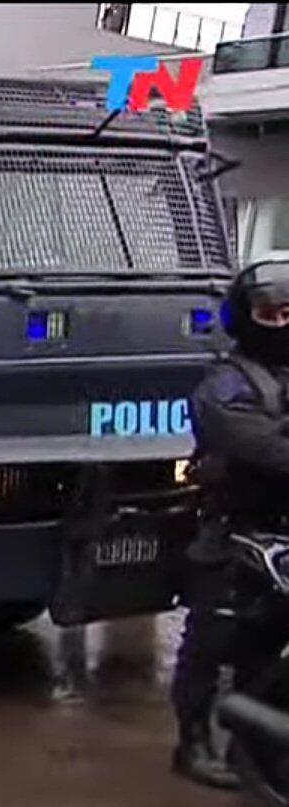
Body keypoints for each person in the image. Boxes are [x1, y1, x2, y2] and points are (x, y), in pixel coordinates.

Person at [175, 259, 289, 790]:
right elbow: (266, 448)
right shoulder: (224, 385)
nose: (284, 323)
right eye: (272, 313)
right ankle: (193, 743)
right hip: (232, 536)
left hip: (281, 535)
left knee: (268, 650)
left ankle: (253, 745)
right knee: (214, 643)